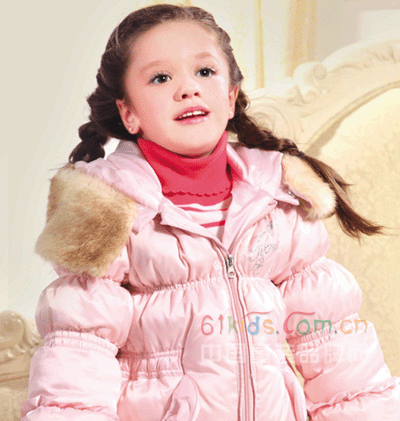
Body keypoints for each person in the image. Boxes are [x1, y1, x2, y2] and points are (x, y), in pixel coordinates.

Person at [21, 4, 400, 421]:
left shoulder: (277, 200)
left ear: (231, 96)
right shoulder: (108, 214)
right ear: (129, 113)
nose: (188, 89)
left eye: (204, 72)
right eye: (161, 78)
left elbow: (334, 346)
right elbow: (78, 357)